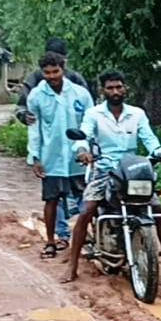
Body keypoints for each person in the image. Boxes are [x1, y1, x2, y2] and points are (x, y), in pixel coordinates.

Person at [62, 70, 161, 284]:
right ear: (103, 91)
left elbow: (149, 138)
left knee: (158, 211)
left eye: (119, 87)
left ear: (125, 88)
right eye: (110, 88)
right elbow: (84, 136)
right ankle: (72, 267)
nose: (115, 91)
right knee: (86, 211)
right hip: (104, 169)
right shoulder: (94, 114)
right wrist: (83, 151)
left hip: (133, 170)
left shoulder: (137, 114)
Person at [25, 52, 92, 259]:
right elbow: (34, 129)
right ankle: (51, 241)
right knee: (51, 200)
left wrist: (86, 149)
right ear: (42, 72)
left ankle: (88, 238)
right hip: (51, 157)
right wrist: (35, 157)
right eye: (47, 72)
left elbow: (89, 124)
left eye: (56, 71)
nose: (52, 76)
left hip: (78, 159)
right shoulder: (36, 96)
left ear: (63, 69)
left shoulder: (80, 94)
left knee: (87, 200)